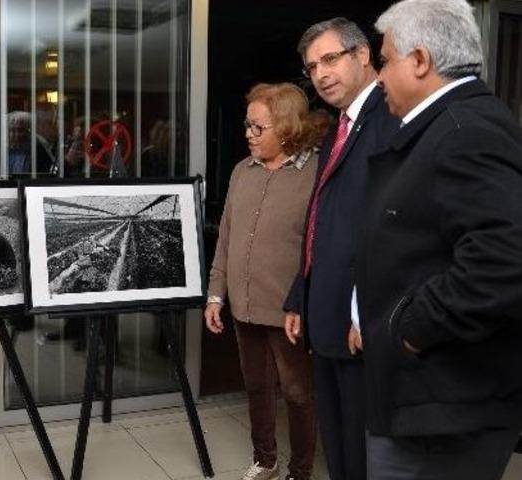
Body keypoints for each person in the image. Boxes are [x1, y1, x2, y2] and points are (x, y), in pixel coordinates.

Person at [355, 1, 522, 478]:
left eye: (384, 61)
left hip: (441, 410)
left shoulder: (466, 130)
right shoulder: (448, 126)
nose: (379, 77)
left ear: (421, 60)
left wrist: (410, 329)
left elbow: (505, 260)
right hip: (427, 402)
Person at [283, 18, 398, 480]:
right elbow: (322, 223)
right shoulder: (338, 129)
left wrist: (365, 308)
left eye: (330, 59)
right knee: (339, 448)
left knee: (365, 453)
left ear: (364, 54)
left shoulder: (389, 119)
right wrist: (300, 295)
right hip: (324, 313)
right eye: (312, 67)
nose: (321, 74)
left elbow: (391, 228)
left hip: (361, 323)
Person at [206, 82, 328, 480]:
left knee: (297, 393)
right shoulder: (243, 171)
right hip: (243, 304)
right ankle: (265, 460)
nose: (248, 134)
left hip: (288, 310)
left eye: (258, 128)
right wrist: (215, 294)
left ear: (287, 127)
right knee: (257, 387)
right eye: (247, 125)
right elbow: (226, 235)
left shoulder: (317, 174)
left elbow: (322, 247)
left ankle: (301, 470)